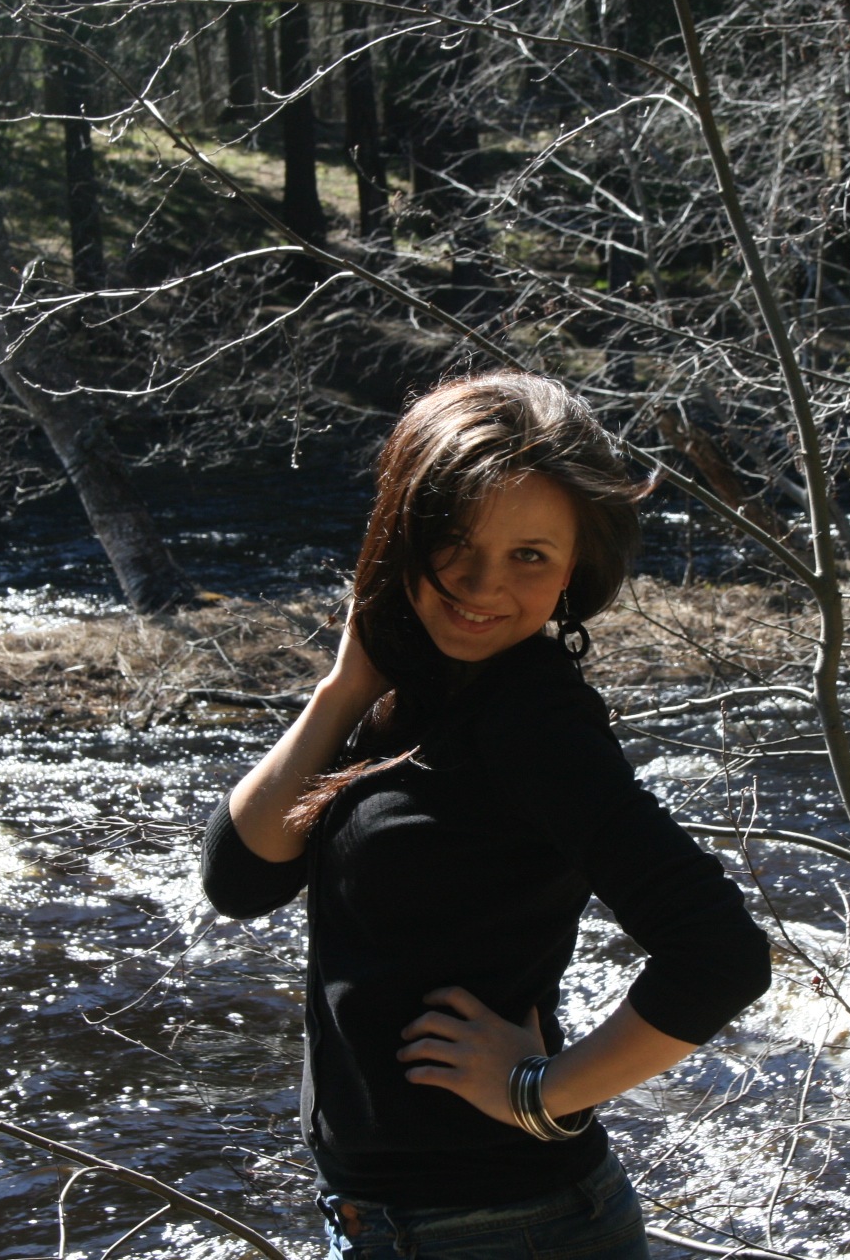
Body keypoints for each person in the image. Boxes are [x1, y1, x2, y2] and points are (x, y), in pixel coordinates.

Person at [200, 372, 772, 1260]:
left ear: (575, 569)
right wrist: (345, 687)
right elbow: (241, 878)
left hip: (505, 1228)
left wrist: (541, 1094)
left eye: (529, 556)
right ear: (403, 532)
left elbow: (721, 953)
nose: (480, 584)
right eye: (454, 541)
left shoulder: (535, 721)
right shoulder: (422, 693)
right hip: (400, 1223)